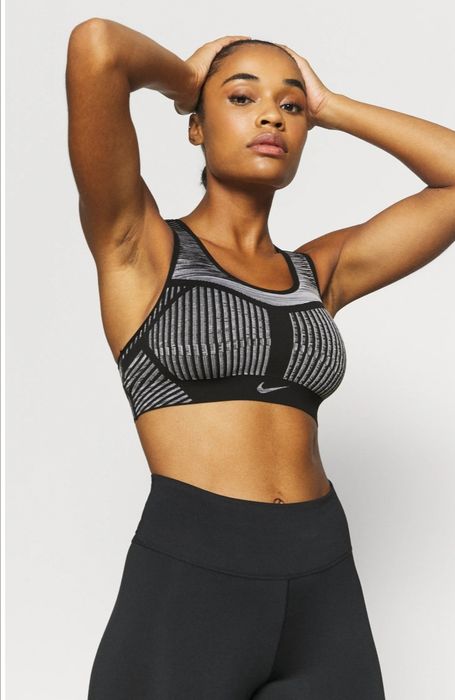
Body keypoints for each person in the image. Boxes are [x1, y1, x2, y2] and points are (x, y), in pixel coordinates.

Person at [66, 18, 455, 699]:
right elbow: (97, 45)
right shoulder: (138, 246)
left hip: (323, 580)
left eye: (290, 105)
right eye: (241, 97)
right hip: (193, 576)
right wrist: (188, 81)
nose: (271, 115)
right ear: (196, 126)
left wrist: (332, 105)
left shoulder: (318, 274)